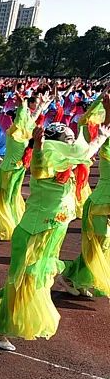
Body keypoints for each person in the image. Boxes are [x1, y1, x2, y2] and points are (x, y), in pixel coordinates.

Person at [0, 121, 110, 350]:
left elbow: (83, 153)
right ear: (54, 142)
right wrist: (38, 146)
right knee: (24, 281)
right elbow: (38, 166)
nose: (72, 143)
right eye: (67, 139)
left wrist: (100, 137)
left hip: (53, 231)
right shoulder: (47, 157)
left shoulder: (66, 161)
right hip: (34, 232)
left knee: (36, 281)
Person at [0, 92, 53, 241]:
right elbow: (22, 119)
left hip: (17, 170)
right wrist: (22, 106)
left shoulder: (25, 132)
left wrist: (40, 105)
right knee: (5, 199)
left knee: (11, 198)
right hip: (9, 170)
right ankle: (1, 227)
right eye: (24, 115)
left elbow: (31, 118)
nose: (28, 117)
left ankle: (6, 225)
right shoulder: (14, 132)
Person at [61, 92, 110, 297]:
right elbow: (105, 129)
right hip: (101, 204)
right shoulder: (107, 146)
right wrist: (107, 110)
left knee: (103, 245)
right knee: (100, 243)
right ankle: (71, 276)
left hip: (104, 204)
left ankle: (79, 278)